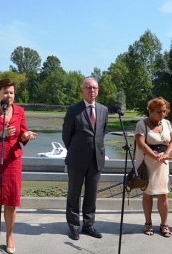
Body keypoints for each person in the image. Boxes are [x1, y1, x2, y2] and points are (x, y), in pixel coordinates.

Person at [0, 78, 37, 254]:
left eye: (11, 92)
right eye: (5, 92)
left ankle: (10, 236)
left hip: (13, 160)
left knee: (11, 202)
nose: (9, 95)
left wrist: (26, 135)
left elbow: (21, 135)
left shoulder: (20, 111)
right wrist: (0, 134)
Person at [62, 77, 108, 241]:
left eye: (94, 88)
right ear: (82, 90)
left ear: (98, 90)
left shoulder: (103, 110)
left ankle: (88, 226)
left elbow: (101, 132)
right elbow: (66, 135)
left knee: (91, 195)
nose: (92, 90)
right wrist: (76, 151)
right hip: (76, 160)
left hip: (96, 159)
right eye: (88, 88)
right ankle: (74, 227)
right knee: (74, 195)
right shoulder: (74, 110)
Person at [135, 97, 172, 237]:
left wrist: (166, 154)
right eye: (159, 112)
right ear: (151, 111)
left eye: (165, 111)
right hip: (147, 162)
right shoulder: (142, 124)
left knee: (163, 194)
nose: (162, 114)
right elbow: (141, 144)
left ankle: (164, 225)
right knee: (148, 193)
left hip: (163, 162)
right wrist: (155, 156)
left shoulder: (167, 123)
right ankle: (148, 223)